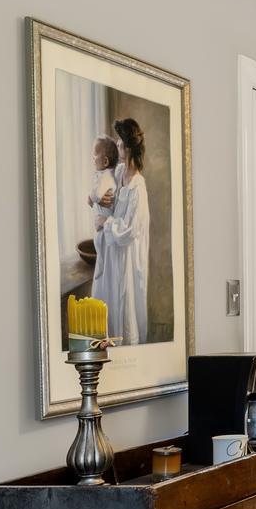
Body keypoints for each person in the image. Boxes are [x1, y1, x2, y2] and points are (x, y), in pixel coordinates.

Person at [93, 117, 150, 343]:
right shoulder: (117, 173)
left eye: (120, 143)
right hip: (112, 251)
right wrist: (100, 199)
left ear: (127, 148)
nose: (117, 146)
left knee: (124, 302)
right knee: (108, 300)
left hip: (126, 255)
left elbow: (130, 230)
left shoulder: (138, 187)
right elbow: (101, 190)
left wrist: (106, 223)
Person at [87, 136, 119, 228]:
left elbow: (97, 194)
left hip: (106, 225)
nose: (93, 157)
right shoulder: (105, 175)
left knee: (102, 240)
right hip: (103, 222)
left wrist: (90, 198)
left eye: (95, 154)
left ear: (105, 161)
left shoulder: (106, 177)